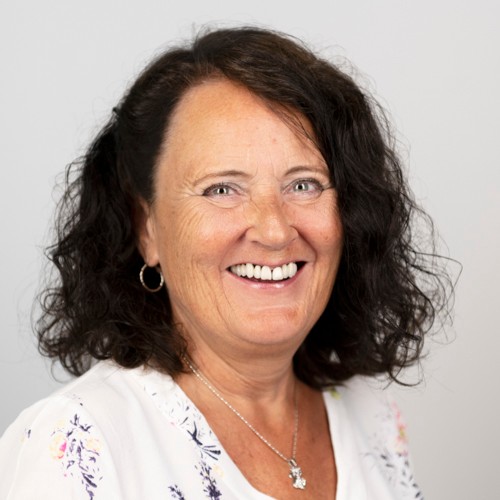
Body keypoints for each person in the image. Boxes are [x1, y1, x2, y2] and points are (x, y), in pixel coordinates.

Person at [0, 27, 449, 499]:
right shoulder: (79, 444)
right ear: (146, 228)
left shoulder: (372, 416)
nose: (274, 231)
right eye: (221, 189)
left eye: (304, 185)